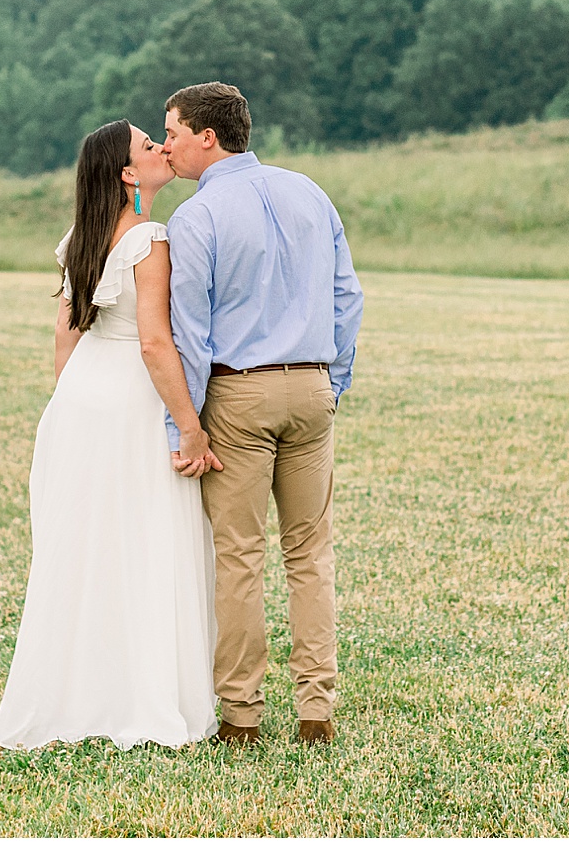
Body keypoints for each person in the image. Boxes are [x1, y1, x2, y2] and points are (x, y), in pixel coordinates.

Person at [0, 119, 222, 751]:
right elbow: (153, 341)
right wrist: (192, 429)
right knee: (145, 542)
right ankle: (139, 699)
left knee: (83, 547)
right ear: (126, 173)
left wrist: (73, 404)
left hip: (80, 401)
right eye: (149, 146)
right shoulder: (149, 237)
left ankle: (74, 696)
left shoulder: (79, 237)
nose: (161, 150)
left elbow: (66, 335)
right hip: (132, 403)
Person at [161, 81, 364, 746]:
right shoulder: (310, 192)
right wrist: (332, 381)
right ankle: (316, 712)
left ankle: (242, 716)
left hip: (238, 394)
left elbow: (190, 333)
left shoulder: (198, 217)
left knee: (240, 555)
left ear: (207, 137)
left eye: (174, 131)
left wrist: (184, 425)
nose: (169, 144)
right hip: (311, 389)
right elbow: (347, 295)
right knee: (310, 552)